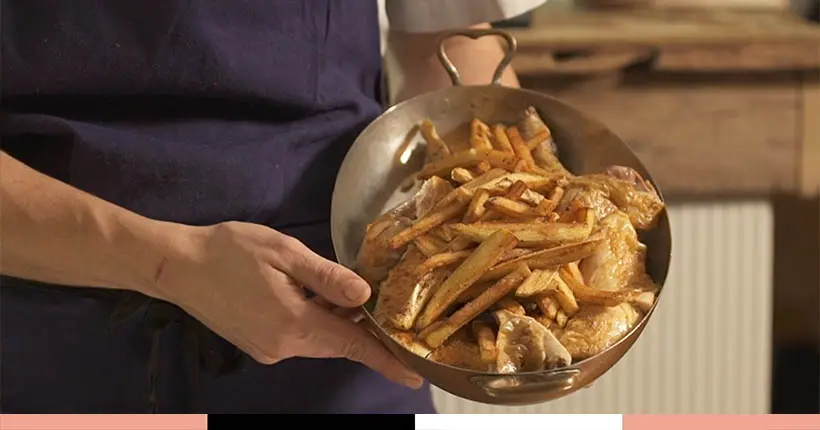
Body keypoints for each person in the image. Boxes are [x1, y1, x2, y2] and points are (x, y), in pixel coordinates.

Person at [0, 0, 546, 413]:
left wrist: (510, 215)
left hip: (334, 324)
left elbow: (449, 36)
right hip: (51, 333)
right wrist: (166, 264)